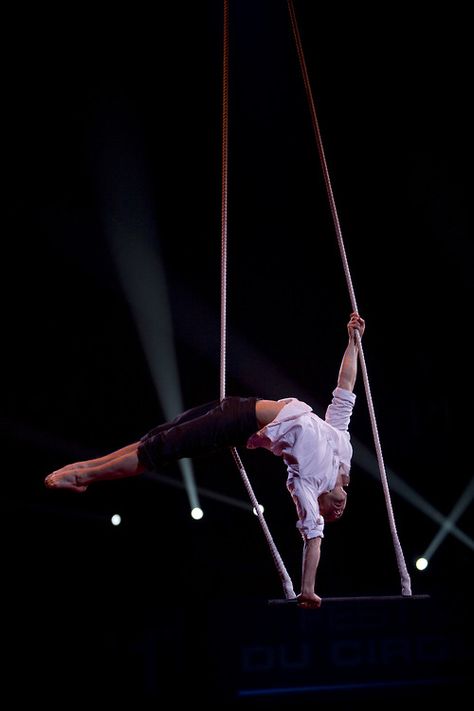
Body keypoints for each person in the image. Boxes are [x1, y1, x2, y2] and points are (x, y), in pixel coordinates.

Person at [45, 312, 365, 608]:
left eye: (328, 512)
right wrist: (353, 341)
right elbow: (345, 388)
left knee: (156, 452)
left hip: (236, 425)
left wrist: (307, 589)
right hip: (239, 406)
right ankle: (84, 468)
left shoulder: (305, 483)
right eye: (336, 511)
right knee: (154, 438)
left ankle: (83, 478)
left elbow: (313, 537)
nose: (334, 510)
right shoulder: (342, 444)